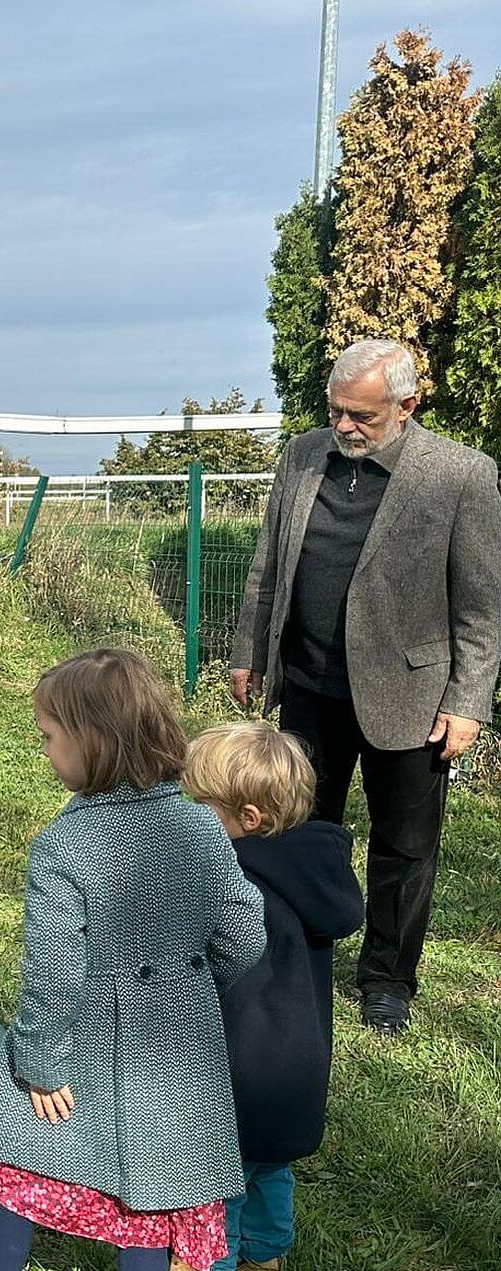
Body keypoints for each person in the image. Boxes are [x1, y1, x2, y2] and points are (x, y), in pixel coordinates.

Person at [0, 648, 266, 1271]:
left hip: (78, 1045)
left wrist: (40, 1061)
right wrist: (189, 983)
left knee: (21, 1163)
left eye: (49, 737)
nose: (44, 751)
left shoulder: (64, 846)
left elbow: (53, 973)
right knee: (153, 1198)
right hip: (175, 1050)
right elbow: (244, 935)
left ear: (91, 742)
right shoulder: (202, 828)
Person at [230, 338, 501, 1035]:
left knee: (404, 848)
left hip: (412, 701)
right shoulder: (302, 455)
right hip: (309, 687)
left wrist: (467, 703)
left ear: (408, 407)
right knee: (293, 830)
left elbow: (481, 608)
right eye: (335, 411)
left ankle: (387, 982)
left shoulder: (461, 476)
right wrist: (249, 652)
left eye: (361, 416)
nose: (344, 427)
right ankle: (291, 951)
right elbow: (268, 566)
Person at [172, 723, 364, 1271]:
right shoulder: (315, 875)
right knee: (271, 1168)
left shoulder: (236, 883)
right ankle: (268, 1254)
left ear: (247, 819)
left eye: (199, 806)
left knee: (221, 1176)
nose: (188, 816)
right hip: (298, 1062)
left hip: (241, 1063)